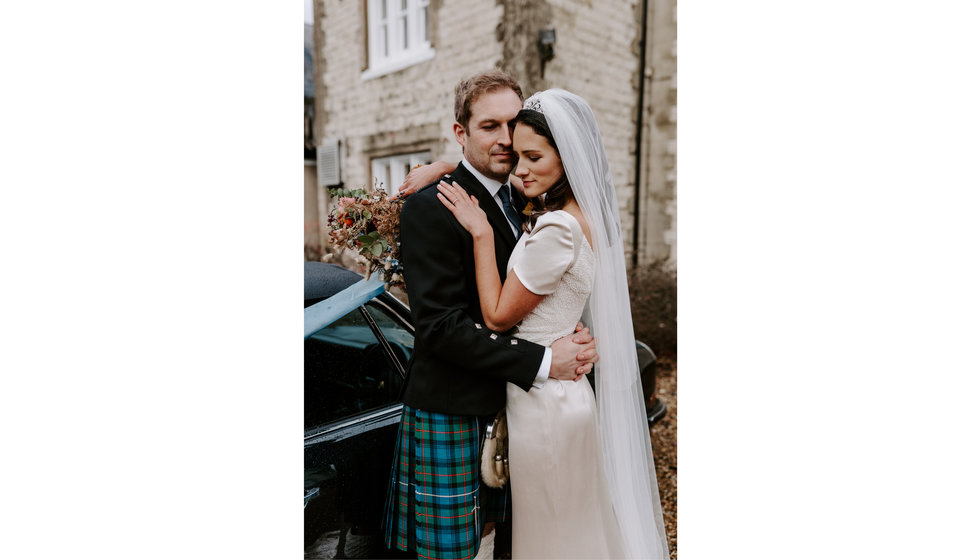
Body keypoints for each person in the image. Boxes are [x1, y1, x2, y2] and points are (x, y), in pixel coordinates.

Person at [434, 89, 671, 558]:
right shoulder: (578, 218)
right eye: (516, 155)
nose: (520, 168)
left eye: (534, 156)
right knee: (572, 528)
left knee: (552, 536)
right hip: (562, 394)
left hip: (545, 403)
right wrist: (444, 167)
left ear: (569, 157)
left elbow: (498, 314)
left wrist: (481, 233)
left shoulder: (559, 228)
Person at [382, 70, 598, 560]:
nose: (505, 140)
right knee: (453, 554)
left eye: (512, 124)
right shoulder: (431, 209)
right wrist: (546, 360)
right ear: (461, 133)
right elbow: (439, 329)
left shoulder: (529, 198)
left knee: (516, 547)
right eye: (488, 127)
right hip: (454, 408)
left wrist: (570, 335)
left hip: (520, 409)